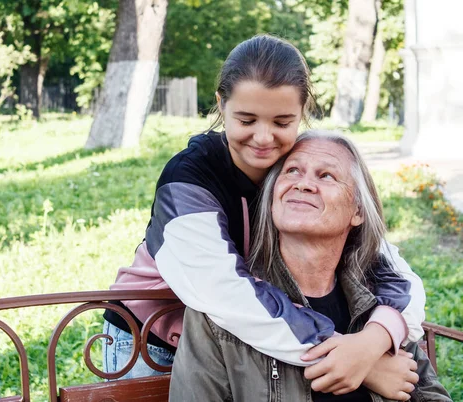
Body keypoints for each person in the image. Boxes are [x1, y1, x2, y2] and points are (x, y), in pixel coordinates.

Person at [102, 34, 426, 390]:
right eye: (246, 120)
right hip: (151, 340)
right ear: (221, 105)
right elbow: (224, 293)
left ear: (303, 113)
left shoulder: (297, 169)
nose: (263, 137)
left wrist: (373, 340)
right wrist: (355, 362)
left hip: (256, 336)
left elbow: (393, 271)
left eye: (282, 122)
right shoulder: (189, 180)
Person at [169, 131, 452, 402]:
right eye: (292, 171)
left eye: (326, 175)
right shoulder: (221, 308)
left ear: (358, 211)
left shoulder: (380, 301)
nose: (302, 184)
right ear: (271, 197)